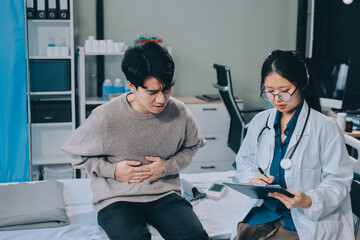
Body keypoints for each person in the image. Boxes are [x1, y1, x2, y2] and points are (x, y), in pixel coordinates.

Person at [62, 42, 209, 240]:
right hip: (117, 198)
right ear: (131, 86)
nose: (161, 99)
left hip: (164, 193)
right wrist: (112, 171)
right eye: (152, 92)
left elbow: (193, 145)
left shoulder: (179, 112)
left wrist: (167, 166)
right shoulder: (106, 117)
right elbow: (74, 153)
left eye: (166, 90)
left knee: (196, 237)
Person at [232, 50, 354, 240]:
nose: (277, 99)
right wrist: (252, 178)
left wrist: (309, 199)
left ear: (302, 85)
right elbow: (244, 162)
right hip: (265, 212)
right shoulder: (260, 122)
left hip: (306, 217)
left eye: (285, 91)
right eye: (270, 92)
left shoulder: (326, 128)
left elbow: (339, 181)